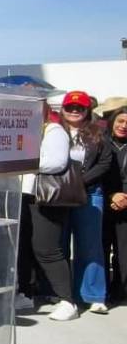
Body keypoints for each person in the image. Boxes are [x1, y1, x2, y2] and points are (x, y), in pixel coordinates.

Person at [23, 113, 83, 321]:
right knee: (25, 247)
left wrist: (19, 160)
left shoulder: (54, 131)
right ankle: (25, 292)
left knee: (47, 250)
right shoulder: (27, 129)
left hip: (46, 198)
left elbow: (56, 163)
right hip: (26, 196)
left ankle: (68, 301)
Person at [58, 90, 113, 314]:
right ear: (62, 109)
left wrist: (80, 181)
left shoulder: (99, 132)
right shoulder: (53, 131)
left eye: (79, 108)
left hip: (89, 193)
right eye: (70, 107)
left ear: (86, 110)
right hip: (60, 196)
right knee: (59, 245)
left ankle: (94, 295)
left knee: (90, 245)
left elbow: (105, 162)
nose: (74, 111)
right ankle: (61, 294)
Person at [103, 106, 127, 304]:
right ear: (112, 122)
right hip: (103, 203)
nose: (124, 126)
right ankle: (100, 289)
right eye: (120, 121)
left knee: (124, 251)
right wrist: (112, 195)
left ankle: (119, 289)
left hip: (126, 205)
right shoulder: (101, 142)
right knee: (100, 248)